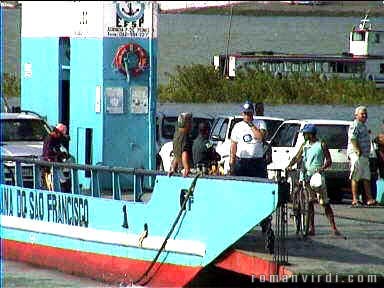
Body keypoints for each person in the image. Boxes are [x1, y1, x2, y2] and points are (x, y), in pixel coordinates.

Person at [286, 124, 340, 236]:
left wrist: (322, 168)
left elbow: (329, 160)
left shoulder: (322, 144)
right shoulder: (304, 145)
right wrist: (290, 165)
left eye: (305, 133)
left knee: (324, 203)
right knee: (309, 201)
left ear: (310, 134)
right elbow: (297, 157)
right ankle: (311, 228)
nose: (303, 135)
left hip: (317, 177)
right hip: (305, 175)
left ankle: (334, 227)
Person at [347, 106, 377, 207]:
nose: (364, 115)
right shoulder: (355, 125)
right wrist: (357, 150)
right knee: (355, 176)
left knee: (366, 177)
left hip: (364, 156)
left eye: (365, 114)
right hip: (357, 155)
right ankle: (355, 199)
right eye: (362, 114)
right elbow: (353, 138)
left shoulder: (363, 126)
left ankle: (369, 199)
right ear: (356, 115)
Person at [229, 100, 268, 178]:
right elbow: (233, 145)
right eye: (245, 113)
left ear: (252, 113)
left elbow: (260, 137)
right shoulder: (237, 126)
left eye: (249, 113)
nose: (247, 116)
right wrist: (232, 161)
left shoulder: (260, 123)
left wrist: (251, 124)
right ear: (242, 113)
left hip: (256, 161)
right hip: (242, 161)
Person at [42, 123, 69, 191]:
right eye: (60, 135)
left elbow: (57, 150)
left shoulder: (56, 140)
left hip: (55, 164)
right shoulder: (50, 139)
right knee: (52, 183)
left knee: (63, 180)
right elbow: (48, 153)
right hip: (49, 165)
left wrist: (62, 154)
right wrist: (58, 156)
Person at [169, 112, 193, 177]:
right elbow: (184, 152)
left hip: (179, 169)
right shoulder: (185, 136)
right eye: (191, 122)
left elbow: (176, 153)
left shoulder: (176, 134)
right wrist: (187, 169)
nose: (192, 124)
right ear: (187, 123)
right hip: (185, 170)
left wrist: (173, 168)